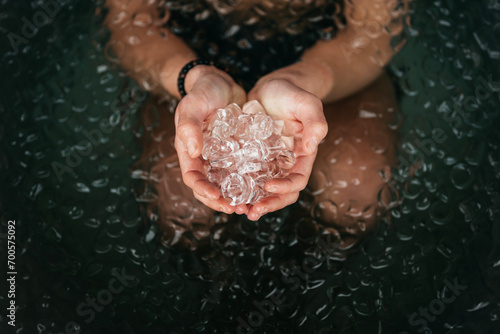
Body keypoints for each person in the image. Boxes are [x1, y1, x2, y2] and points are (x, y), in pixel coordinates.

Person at [104, 0, 406, 247]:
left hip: (334, 60)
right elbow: (131, 24)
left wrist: (303, 79)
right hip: (183, 57)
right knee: (182, 216)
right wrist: (195, 77)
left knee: (356, 197)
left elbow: (372, 32)